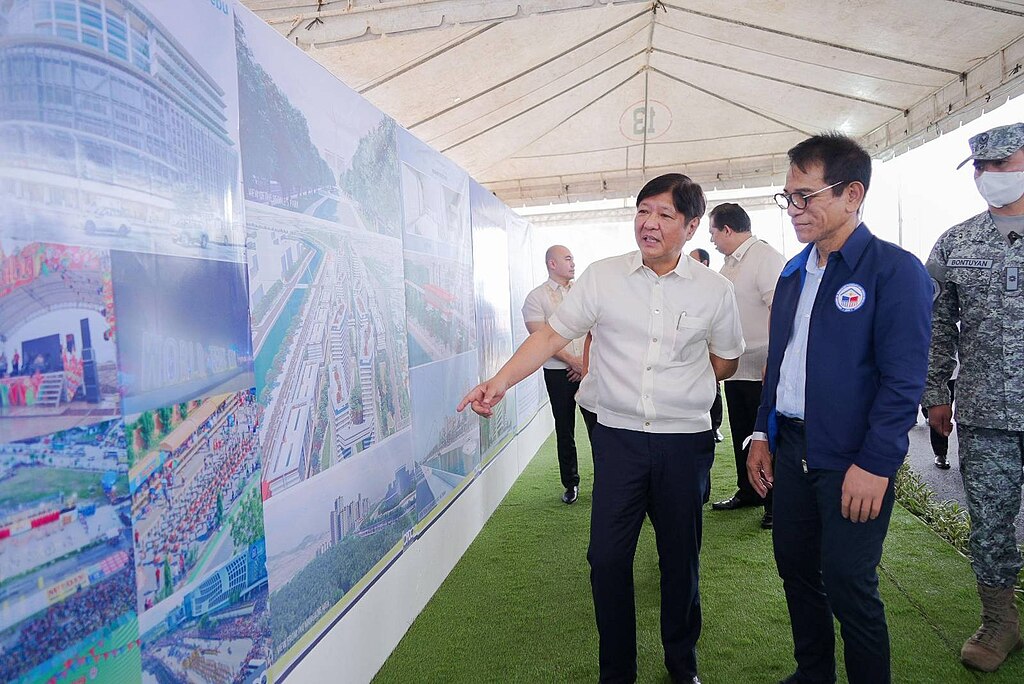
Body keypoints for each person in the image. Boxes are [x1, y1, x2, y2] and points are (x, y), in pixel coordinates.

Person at [460, 173, 744, 683]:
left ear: (692, 225)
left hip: (685, 443)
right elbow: (551, 334)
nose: (649, 224)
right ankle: (617, 673)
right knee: (607, 560)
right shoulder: (601, 276)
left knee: (681, 561)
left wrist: (686, 370)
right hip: (618, 439)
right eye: (643, 211)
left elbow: (725, 362)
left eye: (664, 215)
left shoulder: (715, 290)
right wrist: (499, 381)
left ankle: (683, 665)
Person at [746, 133, 932, 684]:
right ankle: (814, 673)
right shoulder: (793, 271)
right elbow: (778, 364)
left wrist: (875, 464)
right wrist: (761, 433)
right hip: (793, 446)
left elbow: (903, 383)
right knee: (797, 571)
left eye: (807, 196)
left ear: (853, 194)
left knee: (850, 583)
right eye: (788, 197)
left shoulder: (895, 271)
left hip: (854, 458)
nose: (795, 210)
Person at [923, 121, 1024, 673]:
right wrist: (935, 391)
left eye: (1001, 163)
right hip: (986, 412)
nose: (988, 176)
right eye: (980, 167)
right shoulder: (957, 242)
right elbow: (936, 325)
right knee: (989, 520)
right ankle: (1000, 621)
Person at [707, 202, 785, 529]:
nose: (711, 239)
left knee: (764, 438)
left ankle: (773, 503)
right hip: (737, 368)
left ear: (727, 229)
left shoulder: (765, 258)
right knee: (742, 434)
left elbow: (781, 311)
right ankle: (748, 491)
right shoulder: (729, 265)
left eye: (713, 232)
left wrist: (775, 361)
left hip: (762, 370)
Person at [522, 245, 586, 504]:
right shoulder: (536, 297)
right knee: (565, 428)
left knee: (601, 427)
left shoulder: (584, 292)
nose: (573, 263)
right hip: (559, 374)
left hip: (590, 370)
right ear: (552, 264)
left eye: (573, 257)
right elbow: (539, 338)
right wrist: (572, 361)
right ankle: (570, 483)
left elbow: (599, 328)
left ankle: (608, 481)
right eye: (567, 258)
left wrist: (586, 365)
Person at [688, 248, 725, 443]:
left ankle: (714, 426)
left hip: (712, 347)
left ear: (704, 263)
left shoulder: (717, 286)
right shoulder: (685, 285)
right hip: (691, 349)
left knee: (714, 387)